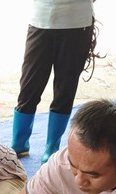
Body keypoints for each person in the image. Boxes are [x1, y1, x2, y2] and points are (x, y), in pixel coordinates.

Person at [11, 0, 99, 163]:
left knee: (65, 89)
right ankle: (19, 143)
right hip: (41, 20)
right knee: (28, 88)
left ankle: (52, 147)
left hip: (77, 23)